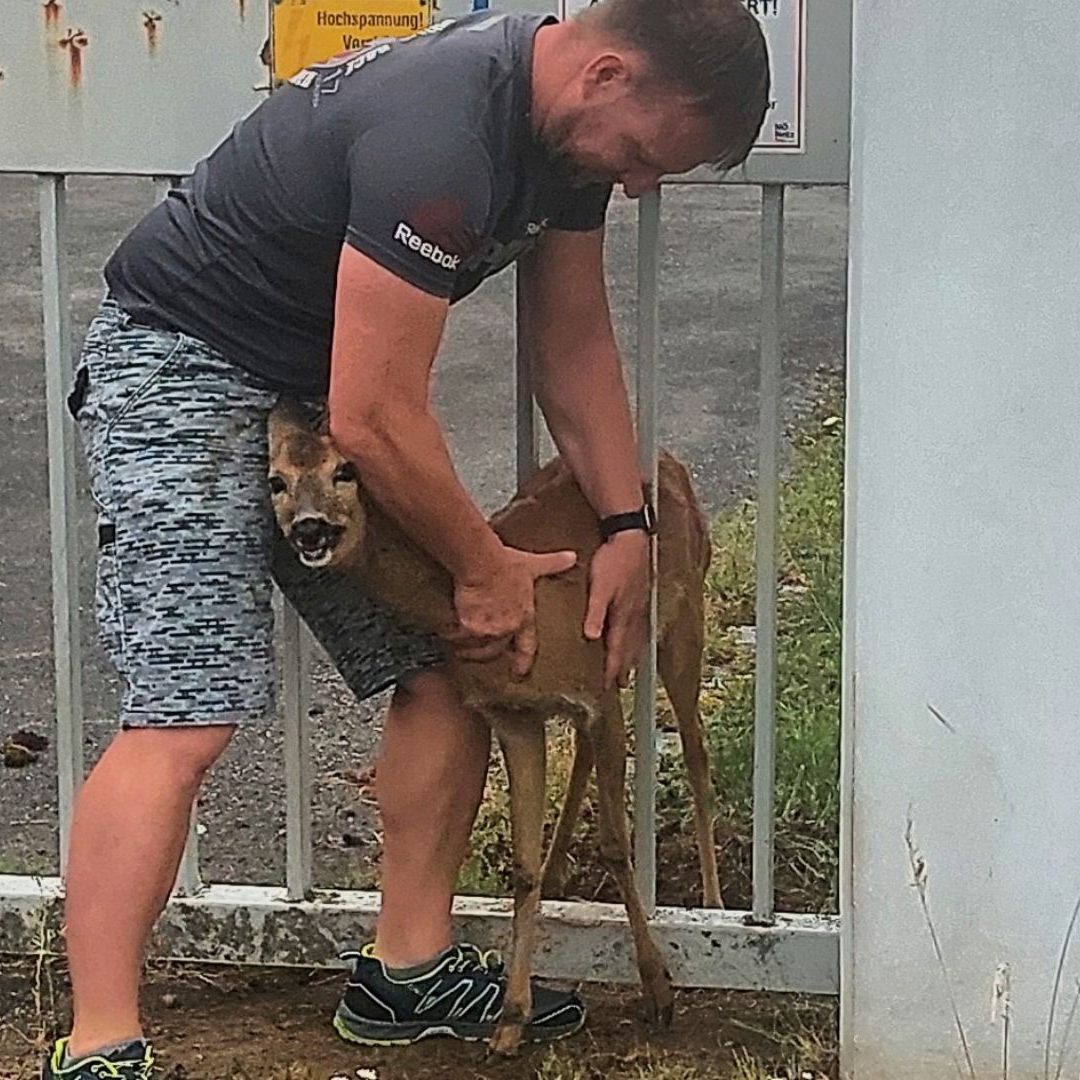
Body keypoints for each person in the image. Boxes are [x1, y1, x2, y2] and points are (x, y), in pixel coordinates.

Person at [43, 0, 768, 1074]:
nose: (642, 182)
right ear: (609, 75)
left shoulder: (564, 136)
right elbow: (377, 410)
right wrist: (482, 565)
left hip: (312, 388)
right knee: (188, 713)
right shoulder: (443, 130)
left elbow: (570, 340)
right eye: (652, 155)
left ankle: (407, 973)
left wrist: (627, 524)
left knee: (455, 659)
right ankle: (101, 1042)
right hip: (182, 371)